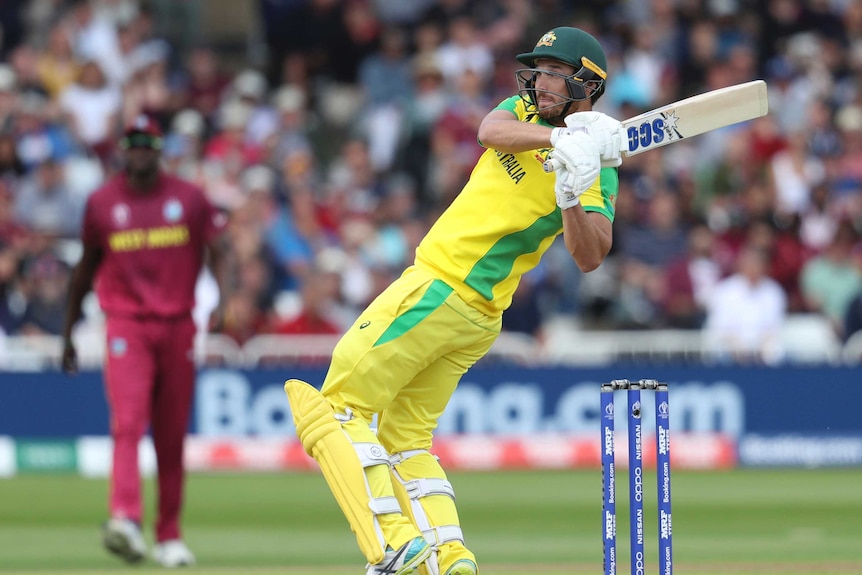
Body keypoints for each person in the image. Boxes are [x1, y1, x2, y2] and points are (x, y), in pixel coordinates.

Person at [283, 26, 622, 575]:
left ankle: (390, 544)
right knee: (404, 436)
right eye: (538, 70)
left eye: (555, 72)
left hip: (444, 288)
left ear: (587, 83)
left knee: (336, 406)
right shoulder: (527, 116)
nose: (540, 81)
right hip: (470, 312)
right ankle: (450, 558)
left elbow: (590, 255)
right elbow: (491, 130)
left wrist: (570, 195)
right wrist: (556, 141)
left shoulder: (596, 169)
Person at [60, 115, 230, 567]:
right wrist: (69, 331)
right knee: (128, 423)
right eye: (131, 143)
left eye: (146, 143)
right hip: (126, 325)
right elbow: (85, 268)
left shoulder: (189, 199)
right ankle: (126, 519)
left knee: (171, 437)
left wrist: (222, 303)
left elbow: (220, 250)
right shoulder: (102, 203)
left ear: (159, 149)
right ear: (122, 149)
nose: (138, 151)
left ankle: (169, 535)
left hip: (178, 324)